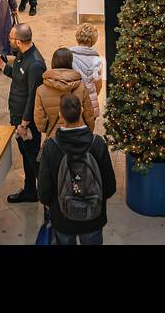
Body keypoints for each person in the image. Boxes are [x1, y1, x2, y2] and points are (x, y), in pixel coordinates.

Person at [36, 93, 116, 245]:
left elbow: (44, 191)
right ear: (81, 111)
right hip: (93, 217)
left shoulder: (51, 147)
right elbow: (110, 186)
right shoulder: (97, 144)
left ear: (60, 114)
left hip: (62, 218)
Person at [0, 23, 45, 204]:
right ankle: (30, 191)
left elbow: (33, 97)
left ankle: (48, 194)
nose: (8, 40)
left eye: (10, 38)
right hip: (18, 117)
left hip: (27, 122)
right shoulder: (21, 55)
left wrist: (24, 124)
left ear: (19, 41)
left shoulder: (35, 64)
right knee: (26, 155)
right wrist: (1, 64)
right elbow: (18, 76)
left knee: (34, 159)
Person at [33, 47, 97, 142]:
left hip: (55, 138)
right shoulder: (81, 87)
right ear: (70, 62)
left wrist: (49, 128)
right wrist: (88, 130)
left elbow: (40, 121)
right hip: (78, 136)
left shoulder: (41, 90)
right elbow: (89, 115)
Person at [69, 24, 104, 118]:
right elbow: (98, 86)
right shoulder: (97, 60)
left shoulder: (69, 56)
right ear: (94, 40)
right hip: (90, 102)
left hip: (71, 102)